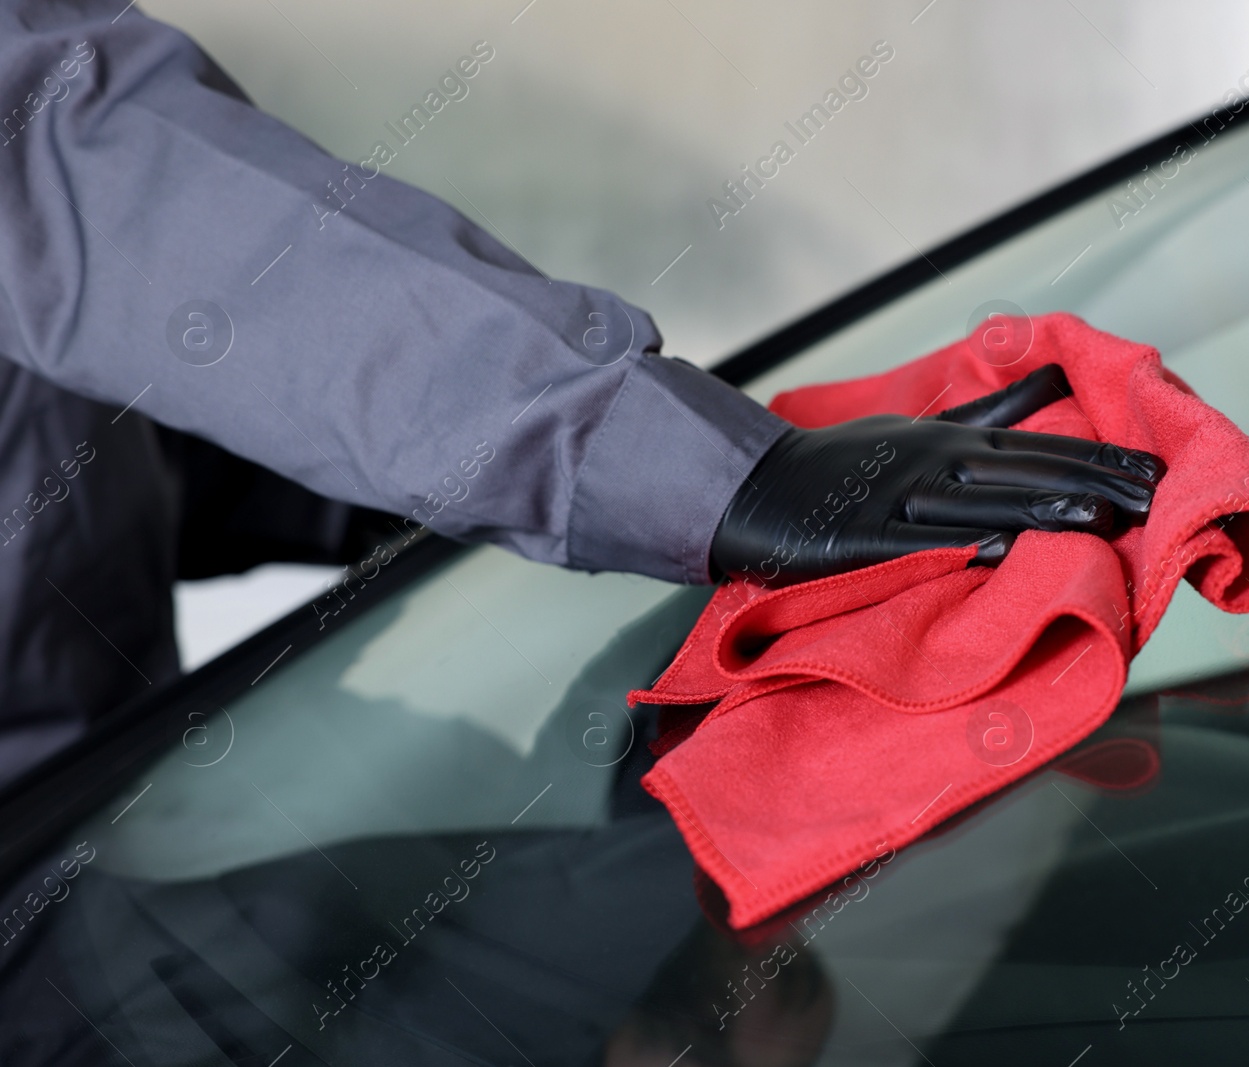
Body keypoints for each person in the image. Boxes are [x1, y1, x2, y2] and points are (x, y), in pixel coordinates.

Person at [0, 0, 1162, 783]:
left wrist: (366, 496)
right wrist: (669, 467)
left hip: (109, 804)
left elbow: (66, 395)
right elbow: (69, 171)